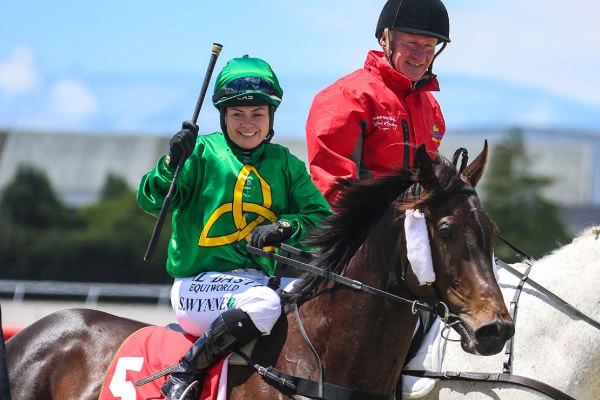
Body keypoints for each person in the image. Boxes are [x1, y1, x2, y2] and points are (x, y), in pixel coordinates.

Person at [137, 55, 331, 400]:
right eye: (237, 114)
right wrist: (170, 163)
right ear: (223, 116)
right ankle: (184, 374)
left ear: (270, 117)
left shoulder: (285, 163)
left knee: (328, 295)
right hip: (198, 286)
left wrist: (286, 226)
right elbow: (151, 201)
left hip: (259, 282)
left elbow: (322, 217)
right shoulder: (199, 154)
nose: (248, 124)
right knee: (264, 304)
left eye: (258, 114)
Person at [306, 0, 451, 205]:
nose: (420, 56)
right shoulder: (345, 97)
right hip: (360, 227)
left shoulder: (431, 108)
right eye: (411, 43)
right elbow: (332, 188)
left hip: (411, 228)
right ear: (385, 38)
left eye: (429, 45)